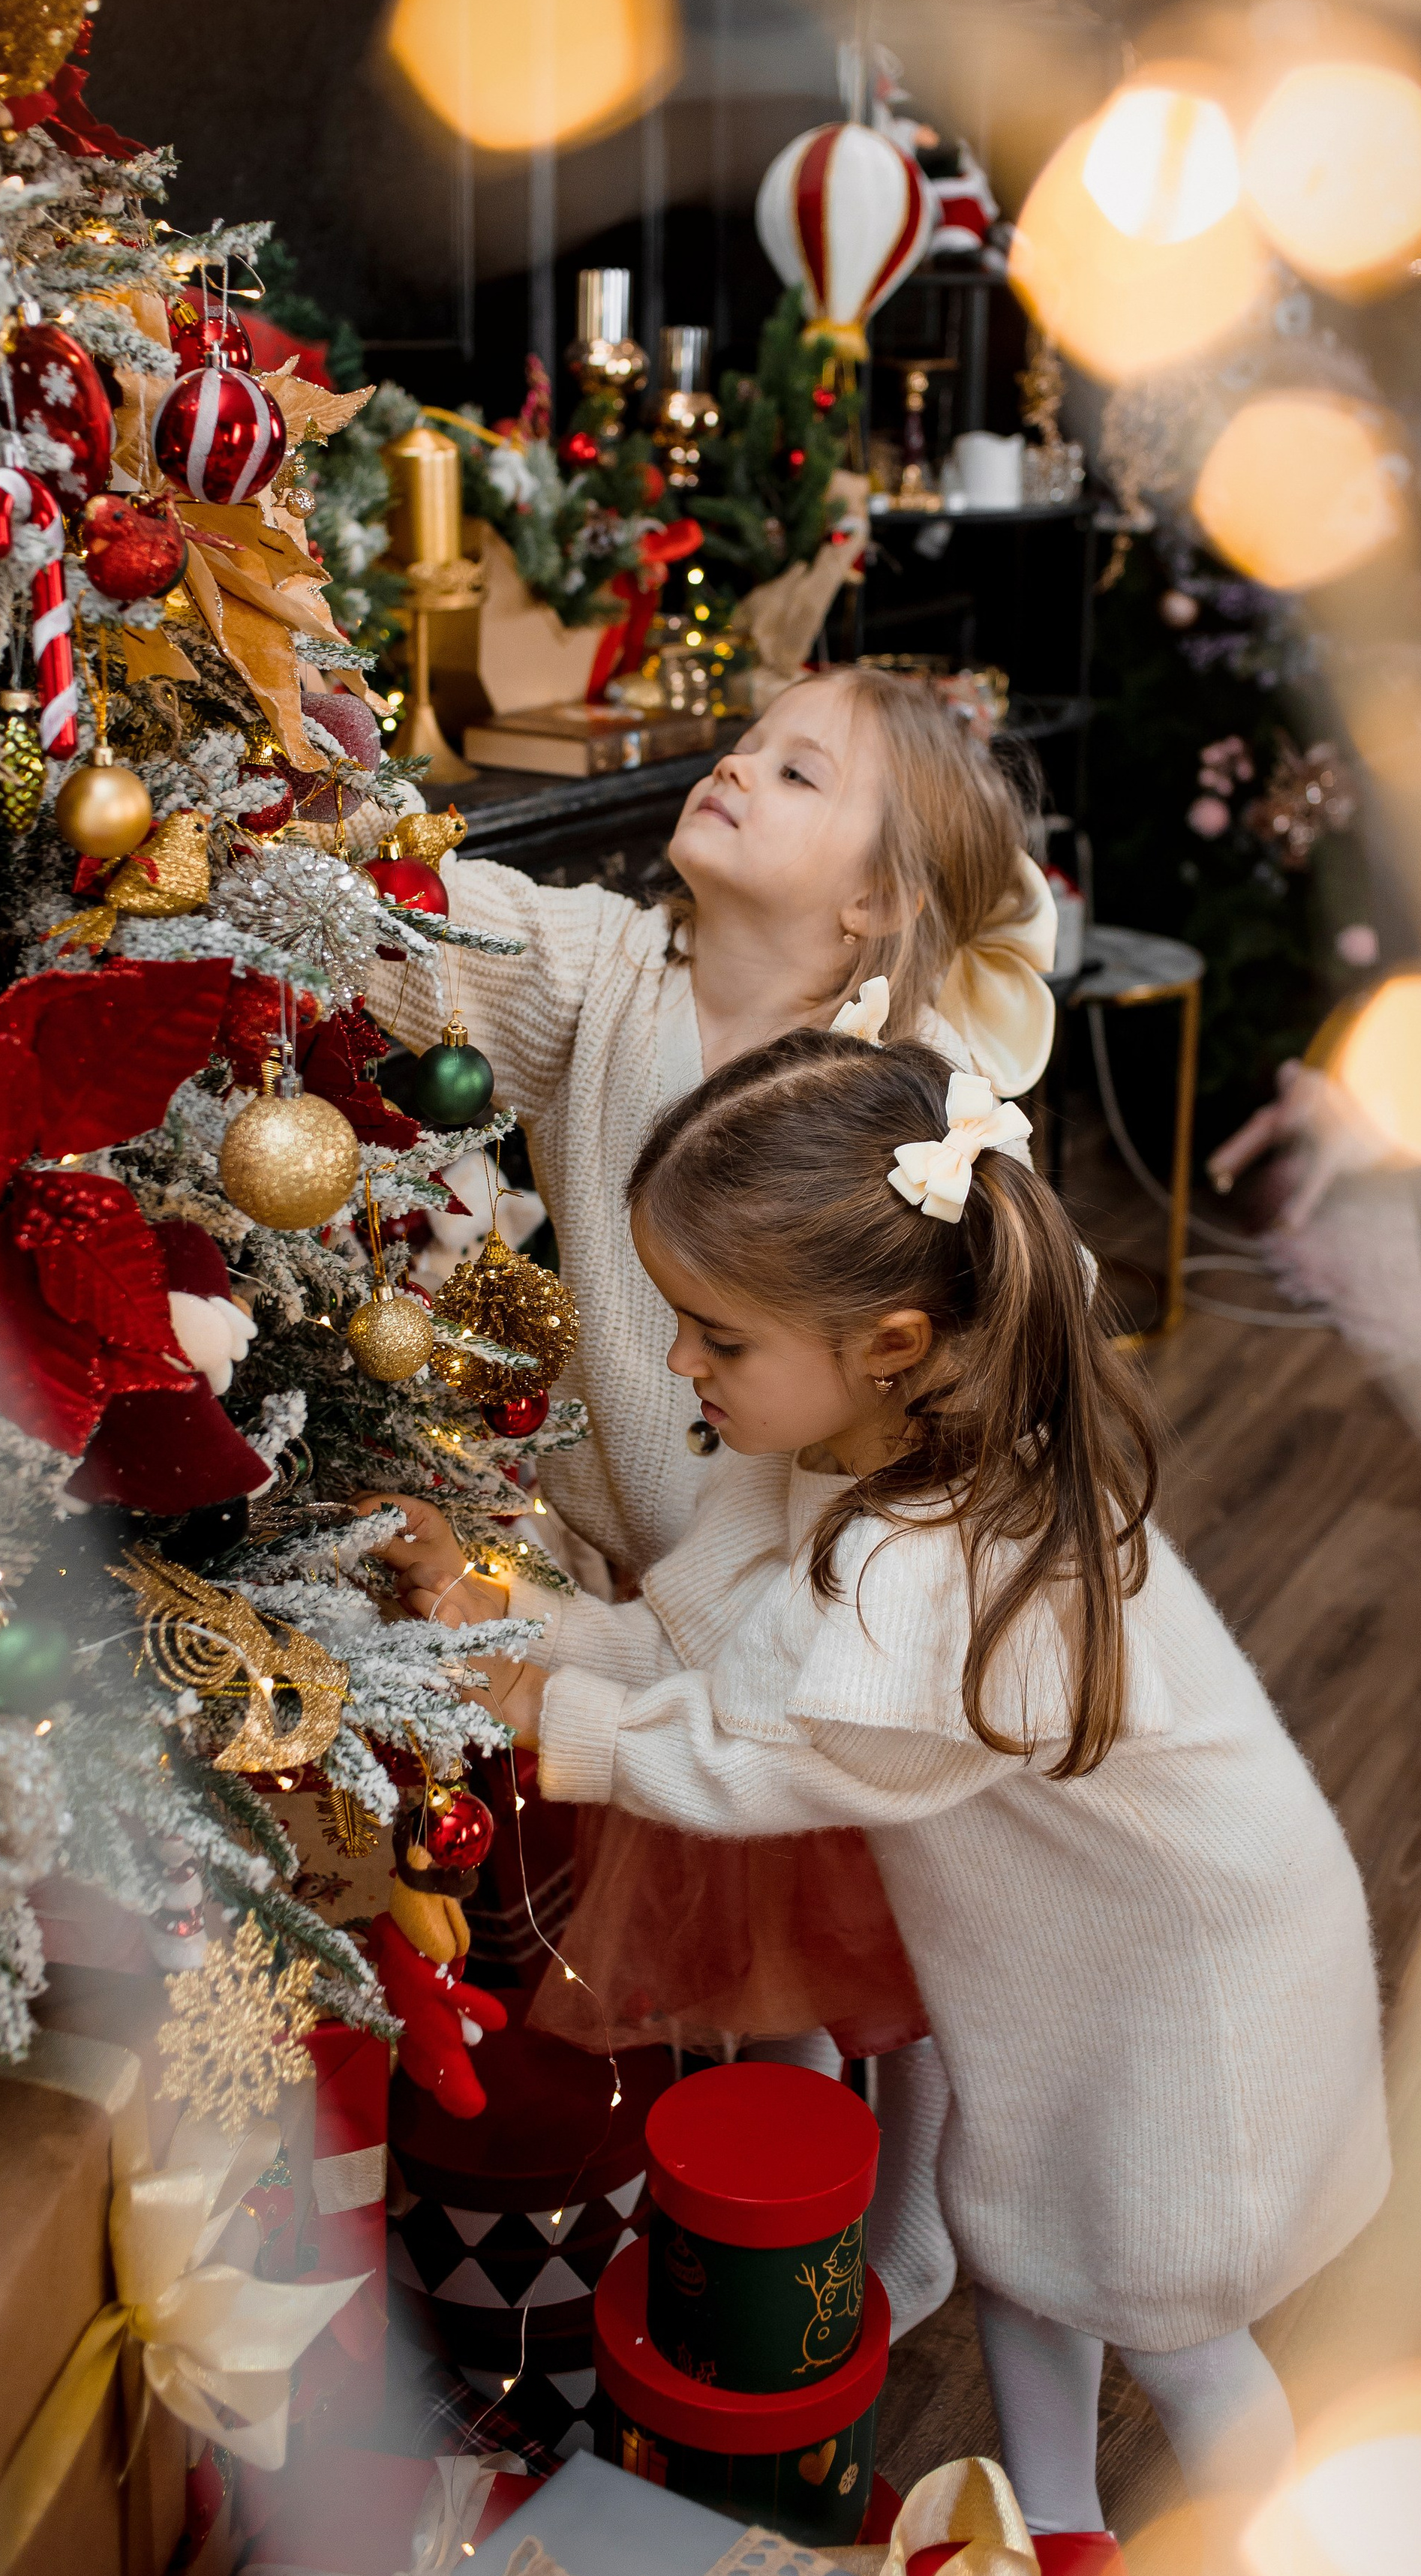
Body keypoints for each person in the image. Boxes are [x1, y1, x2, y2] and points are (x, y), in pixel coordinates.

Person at [380, 1033, 1390, 2567]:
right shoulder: (842, 1447)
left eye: (713, 1335)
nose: (676, 1367)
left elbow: (763, 1757)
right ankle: (1052, 2530)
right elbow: (700, 1641)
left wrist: (554, 1722)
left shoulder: (949, 1569)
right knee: (1030, 2245)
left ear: (893, 1341)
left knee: (1163, 2306)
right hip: (1078, 1956)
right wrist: (511, 1637)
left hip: (1190, 1979)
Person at [363, 666, 1059, 2337]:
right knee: (765, 1946)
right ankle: (780, 2207)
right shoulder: (607, 973)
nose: (736, 768)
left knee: (894, 1917)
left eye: (798, 774)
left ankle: (899, 2227)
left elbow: (993, 1320)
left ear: (874, 903)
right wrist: (318, 814)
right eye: (745, 742)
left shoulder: (893, 1105)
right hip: (637, 1572)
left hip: (827, 1594)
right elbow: (409, 922)